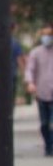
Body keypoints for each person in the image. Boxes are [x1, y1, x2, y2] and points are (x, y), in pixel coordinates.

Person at [24, 24, 53, 156]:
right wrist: (30, 83)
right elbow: (30, 69)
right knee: (44, 123)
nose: (47, 37)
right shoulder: (36, 52)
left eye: (49, 34)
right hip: (42, 93)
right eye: (44, 35)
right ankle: (48, 145)